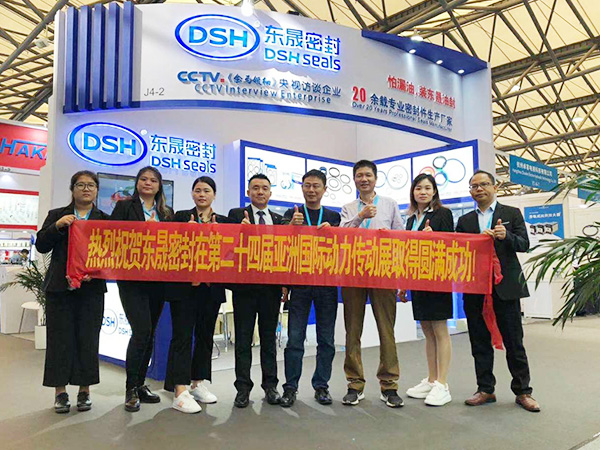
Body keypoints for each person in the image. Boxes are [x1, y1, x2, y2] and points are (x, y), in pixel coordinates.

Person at [456, 169, 540, 413]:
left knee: (514, 342)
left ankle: (523, 392)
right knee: (479, 341)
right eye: (474, 186)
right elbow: (458, 252)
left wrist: (507, 236)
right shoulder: (465, 221)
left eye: (483, 184)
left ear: (495, 187)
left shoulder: (511, 214)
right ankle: (485, 389)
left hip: (506, 288)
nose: (479, 189)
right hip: (475, 288)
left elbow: (524, 244)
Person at [36, 170, 109, 414]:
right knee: (59, 340)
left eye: (91, 185)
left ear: (96, 190)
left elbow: (111, 255)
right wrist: (57, 227)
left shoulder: (104, 219)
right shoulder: (57, 215)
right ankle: (60, 392)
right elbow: (41, 245)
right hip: (60, 288)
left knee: (88, 339)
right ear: (72, 189)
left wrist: (95, 272)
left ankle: (84, 390)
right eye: (80, 185)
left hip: (91, 289)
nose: (86, 189)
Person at [165, 176, 232, 414]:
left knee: (205, 336)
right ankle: (179, 390)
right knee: (182, 336)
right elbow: (170, 248)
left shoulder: (223, 221)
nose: (202, 194)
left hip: (211, 288)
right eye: (197, 190)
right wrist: (187, 234)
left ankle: (197, 382)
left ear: (214, 195)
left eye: (206, 190)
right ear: (192, 194)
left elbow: (231, 252)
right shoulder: (181, 217)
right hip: (185, 288)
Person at [340, 160, 404, 408]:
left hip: (383, 271)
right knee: (352, 329)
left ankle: (389, 385)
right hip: (353, 272)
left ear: (376, 178)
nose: (364, 179)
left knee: (386, 329)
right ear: (354, 180)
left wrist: (400, 275)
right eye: (359, 175)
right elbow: (341, 235)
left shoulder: (389, 204)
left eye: (368, 175)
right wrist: (360, 216)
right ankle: (354, 384)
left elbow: (400, 238)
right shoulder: (348, 208)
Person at [110, 166, 173, 412]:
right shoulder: (124, 207)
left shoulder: (166, 213)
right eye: (144, 179)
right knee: (141, 331)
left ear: (159, 186)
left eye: (153, 180)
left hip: (157, 280)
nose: (148, 183)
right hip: (131, 279)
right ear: (137, 183)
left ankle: (140, 384)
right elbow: (112, 237)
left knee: (150, 333)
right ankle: (130, 389)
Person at [279, 169, 341, 408]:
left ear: (324, 189)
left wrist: (334, 233)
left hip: (326, 284)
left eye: (316, 186)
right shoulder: (291, 213)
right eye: (307, 185)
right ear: (302, 188)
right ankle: (290, 387)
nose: (311, 190)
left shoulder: (333, 217)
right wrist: (290, 226)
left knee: (326, 339)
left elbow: (343, 247)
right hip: (300, 284)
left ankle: (321, 386)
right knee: (295, 339)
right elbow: (281, 245)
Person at [228, 173, 285, 408]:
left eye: (264, 188)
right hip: (245, 289)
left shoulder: (279, 220)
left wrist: (285, 284)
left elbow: (285, 253)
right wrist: (239, 232)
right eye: (255, 188)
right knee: (243, 339)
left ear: (270, 193)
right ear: (248, 192)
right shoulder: (236, 215)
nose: (260, 192)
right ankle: (242, 388)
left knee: (269, 339)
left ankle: (270, 386)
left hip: (271, 289)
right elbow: (228, 247)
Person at [401, 174, 454, 406]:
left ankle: (443, 383)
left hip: (438, 278)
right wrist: (404, 282)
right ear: (413, 192)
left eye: (427, 188)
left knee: (440, 330)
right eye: (418, 188)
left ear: (434, 192)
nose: (422, 192)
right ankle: (432, 379)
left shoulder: (443, 214)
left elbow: (451, 245)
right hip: (417, 279)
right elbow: (407, 251)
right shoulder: (411, 219)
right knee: (427, 331)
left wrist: (435, 239)